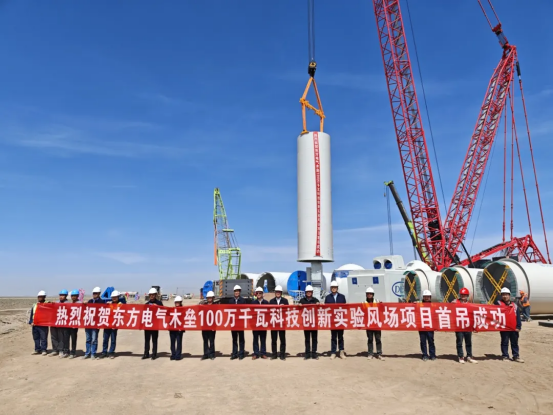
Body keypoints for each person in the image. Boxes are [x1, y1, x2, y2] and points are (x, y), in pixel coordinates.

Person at [497, 287, 524, 363]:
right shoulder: (499, 304)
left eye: (506, 294)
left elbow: (518, 317)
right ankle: (505, 356)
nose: (505, 296)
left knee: (514, 343)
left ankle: (516, 356)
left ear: (509, 295)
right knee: (504, 342)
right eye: (503, 295)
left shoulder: (514, 306)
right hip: (504, 328)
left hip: (514, 328)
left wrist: (518, 326)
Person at [452, 287, 477, 364]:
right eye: (462, 295)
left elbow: (473, 315)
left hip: (467, 326)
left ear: (467, 296)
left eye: (465, 295)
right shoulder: (455, 302)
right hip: (459, 326)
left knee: (468, 342)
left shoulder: (469, 304)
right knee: (459, 342)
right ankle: (461, 356)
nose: (463, 296)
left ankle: (469, 356)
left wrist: (474, 326)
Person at [325, 280, 347, 359]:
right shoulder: (328, 297)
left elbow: (345, 308)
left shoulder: (342, 297)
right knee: (333, 336)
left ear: (337, 288)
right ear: (330, 288)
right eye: (332, 287)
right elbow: (326, 308)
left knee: (340, 336)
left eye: (335, 287)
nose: (333, 288)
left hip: (340, 319)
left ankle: (341, 351)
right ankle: (333, 352)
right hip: (332, 320)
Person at [84, 287, 105, 360]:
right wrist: (84, 304)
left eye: (96, 293)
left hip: (95, 324)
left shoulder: (101, 302)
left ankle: (93, 353)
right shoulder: (90, 301)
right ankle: (87, 353)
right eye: (93, 293)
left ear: (99, 294)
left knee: (94, 339)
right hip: (88, 323)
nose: (94, 294)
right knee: (88, 339)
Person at [143, 287, 163, 360]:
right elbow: (143, 314)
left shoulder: (159, 303)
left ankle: (154, 354)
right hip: (147, 325)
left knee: (154, 340)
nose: (152, 296)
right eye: (150, 295)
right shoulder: (146, 304)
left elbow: (163, 312)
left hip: (155, 325)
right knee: (147, 340)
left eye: (153, 295)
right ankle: (146, 353)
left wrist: (157, 307)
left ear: (156, 295)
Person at [299, 285, 319, 360]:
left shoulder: (315, 300)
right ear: (305, 292)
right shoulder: (302, 300)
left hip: (314, 322)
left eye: (310, 292)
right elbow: (297, 308)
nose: (309, 293)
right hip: (306, 323)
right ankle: (307, 354)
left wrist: (318, 304)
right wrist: (299, 305)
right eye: (307, 292)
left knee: (314, 339)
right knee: (307, 339)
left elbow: (320, 308)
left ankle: (314, 353)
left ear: (312, 292)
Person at [269, 285, 289, 360]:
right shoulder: (271, 301)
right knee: (274, 339)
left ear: (281, 293)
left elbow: (288, 311)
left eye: (279, 292)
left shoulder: (285, 301)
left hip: (282, 323)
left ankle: (282, 354)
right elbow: (268, 311)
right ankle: (274, 354)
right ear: (275, 292)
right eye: (276, 292)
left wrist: (284, 307)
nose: (278, 293)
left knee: (282, 339)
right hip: (274, 323)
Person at [365, 287, 384, 361]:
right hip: (369, 324)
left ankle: (379, 354)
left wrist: (382, 304)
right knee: (370, 339)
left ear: (373, 294)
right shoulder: (364, 303)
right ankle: (370, 354)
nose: (369, 295)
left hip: (377, 324)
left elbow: (382, 310)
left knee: (378, 339)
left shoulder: (377, 301)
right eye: (368, 294)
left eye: (370, 294)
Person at [101, 290, 121, 359]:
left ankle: (111, 352)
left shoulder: (120, 305)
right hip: (107, 325)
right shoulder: (108, 304)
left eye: (115, 297)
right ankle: (104, 352)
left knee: (113, 340)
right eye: (113, 297)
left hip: (114, 325)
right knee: (105, 339)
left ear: (118, 297)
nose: (114, 298)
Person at [49, 289, 69, 358]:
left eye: (63, 295)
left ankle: (61, 350)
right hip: (54, 322)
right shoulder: (56, 302)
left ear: (66, 296)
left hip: (62, 323)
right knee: (53, 336)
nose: (61, 297)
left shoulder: (68, 304)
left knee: (61, 337)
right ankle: (55, 349)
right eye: (60, 295)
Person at [29, 290, 49, 356]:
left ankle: (44, 349)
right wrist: (31, 322)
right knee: (36, 338)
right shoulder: (35, 305)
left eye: (41, 297)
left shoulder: (47, 304)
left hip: (43, 324)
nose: (39, 298)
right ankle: (37, 349)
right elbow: (32, 314)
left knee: (43, 338)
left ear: (44, 297)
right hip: (35, 324)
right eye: (39, 297)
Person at [229, 285, 246, 360]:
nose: (236, 292)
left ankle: (241, 353)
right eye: (235, 291)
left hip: (240, 323)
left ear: (240, 292)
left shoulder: (243, 301)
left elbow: (245, 311)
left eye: (238, 291)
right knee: (234, 339)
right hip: (233, 323)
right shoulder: (230, 301)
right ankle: (234, 353)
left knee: (241, 339)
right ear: (234, 292)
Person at [251, 287, 268, 360]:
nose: (258, 294)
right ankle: (256, 353)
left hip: (263, 324)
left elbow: (269, 313)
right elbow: (250, 313)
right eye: (257, 293)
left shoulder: (266, 303)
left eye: (260, 293)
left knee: (263, 339)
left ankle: (263, 353)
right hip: (255, 324)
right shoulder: (253, 303)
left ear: (262, 294)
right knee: (255, 339)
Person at [419, 290, 436, 362]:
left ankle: (432, 355)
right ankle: (425, 355)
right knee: (423, 341)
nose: (426, 298)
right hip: (422, 326)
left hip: (430, 326)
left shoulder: (433, 305)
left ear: (430, 297)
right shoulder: (419, 305)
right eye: (425, 296)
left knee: (431, 341)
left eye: (428, 297)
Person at [201, 291, 216, 360]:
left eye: (211, 297)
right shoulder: (204, 305)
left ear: (213, 298)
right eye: (208, 298)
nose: (209, 299)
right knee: (205, 340)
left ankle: (212, 354)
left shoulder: (215, 306)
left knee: (212, 341)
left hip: (212, 326)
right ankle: (206, 354)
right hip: (204, 326)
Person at [169, 296, 185, 361]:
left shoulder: (183, 310)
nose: (177, 303)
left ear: (180, 302)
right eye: (176, 302)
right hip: (172, 328)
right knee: (172, 342)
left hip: (179, 329)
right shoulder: (172, 309)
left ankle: (178, 355)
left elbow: (184, 319)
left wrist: (182, 328)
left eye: (178, 302)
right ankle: (173, 355)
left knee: (179, 342)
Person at [68, 290, 80, 359]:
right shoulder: (70, 303)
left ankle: (73, 352)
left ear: (77, 296)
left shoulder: (80, 303)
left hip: (75, 324)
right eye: (72, 296)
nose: (73, 297)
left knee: (73, 339)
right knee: (67, 338)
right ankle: (67, 351)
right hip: (68, 324)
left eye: (75, 296)